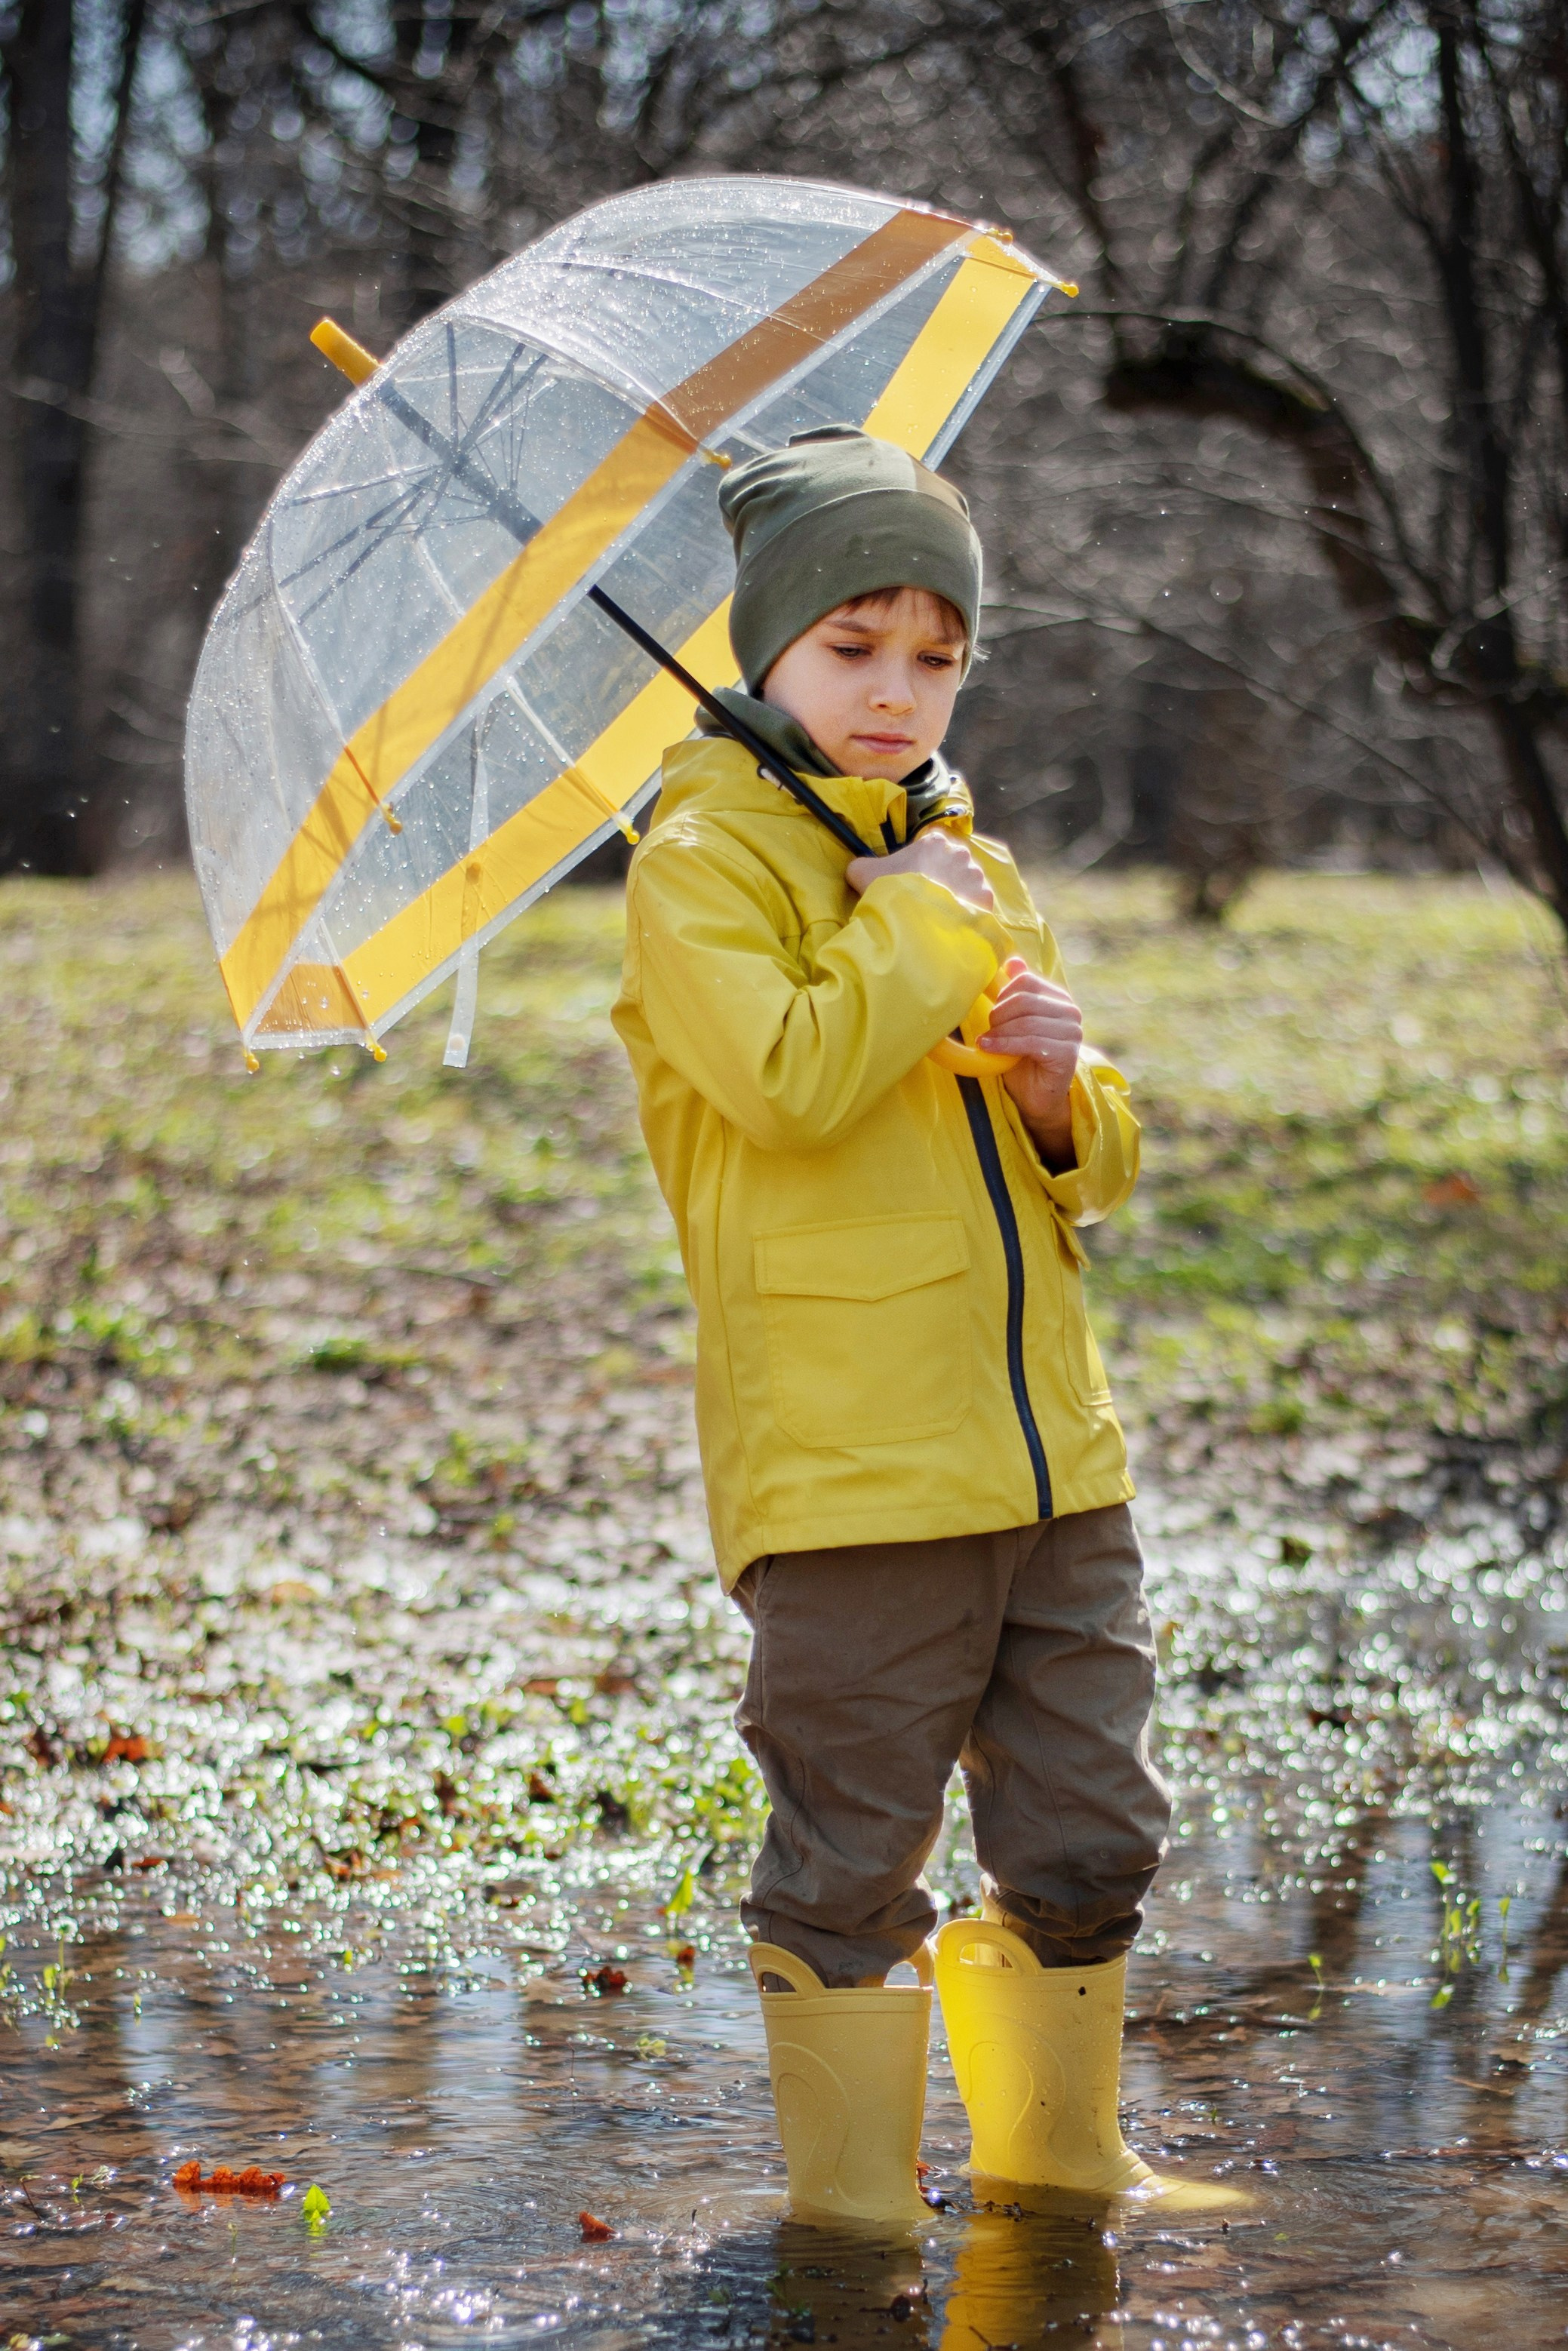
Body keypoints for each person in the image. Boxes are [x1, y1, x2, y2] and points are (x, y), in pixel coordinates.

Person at [611, 426, 1170, 2226]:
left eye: (936, 655)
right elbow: (785, 1083)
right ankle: (852, 2225)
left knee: (1091, 1824)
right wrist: (915, 937)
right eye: (853, 648)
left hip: (1047, 1450)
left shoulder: (960, 856)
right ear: (764, 646)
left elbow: (1080, 1166)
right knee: (853, 1847)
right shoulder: (698, 867)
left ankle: (1062, 2167)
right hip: (853, 1467)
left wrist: (1061, 1098)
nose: (897, 690)